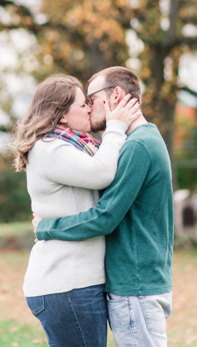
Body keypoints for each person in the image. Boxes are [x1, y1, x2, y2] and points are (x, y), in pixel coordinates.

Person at [33, 66, 174, 347]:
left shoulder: (139, 146)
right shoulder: (140, 141)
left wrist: (46, 226)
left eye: (91, 99)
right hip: (136, 284)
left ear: (116, 96)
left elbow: (105, 216)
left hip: (135, 286)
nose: (88, 108)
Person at [10, 74, 142, 347]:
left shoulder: (74, 145)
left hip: (74, 284)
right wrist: (115, 127)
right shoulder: (50, 148)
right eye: (83, 104)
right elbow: (101, 173)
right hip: (67, 285)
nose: (90, 109)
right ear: (62, 116)